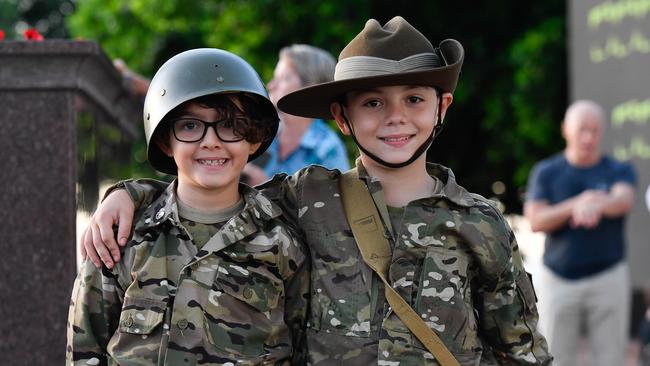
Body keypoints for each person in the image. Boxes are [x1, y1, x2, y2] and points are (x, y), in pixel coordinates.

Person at [82, 17, 552, 365]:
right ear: (343, 117)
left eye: (414, 98)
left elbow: (521, 350)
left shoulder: (481, 223)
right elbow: (210, 189)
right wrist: (128, 195)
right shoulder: (307, 198)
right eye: (372, 102)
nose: (395, 117)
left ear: (442, 106)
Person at [67, 48, 308, 365]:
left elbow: (302, 347)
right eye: (190, 126)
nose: (211, 141)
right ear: (166, 140)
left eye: (231, 125)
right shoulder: (121, 237)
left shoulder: (281, 243)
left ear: (254, 137)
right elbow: (85, 348)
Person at [524, 100, 636, 366]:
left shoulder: (618, 169)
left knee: (610, 358)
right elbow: (536, 219)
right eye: (582, 129)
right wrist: (577, 204)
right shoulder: (546, 172)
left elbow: (623, 201)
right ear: (566, 129)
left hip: (608, 276)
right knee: (555, 357)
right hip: (557, 279)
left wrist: (595, 204)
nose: (588, 137)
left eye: (595, 131)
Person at [245, 44, 350, 185]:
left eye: (283, 78)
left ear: (309, 90)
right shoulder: (258, 132)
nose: (271, 85)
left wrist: (264, 186)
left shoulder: (328, 149)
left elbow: (331, 205)